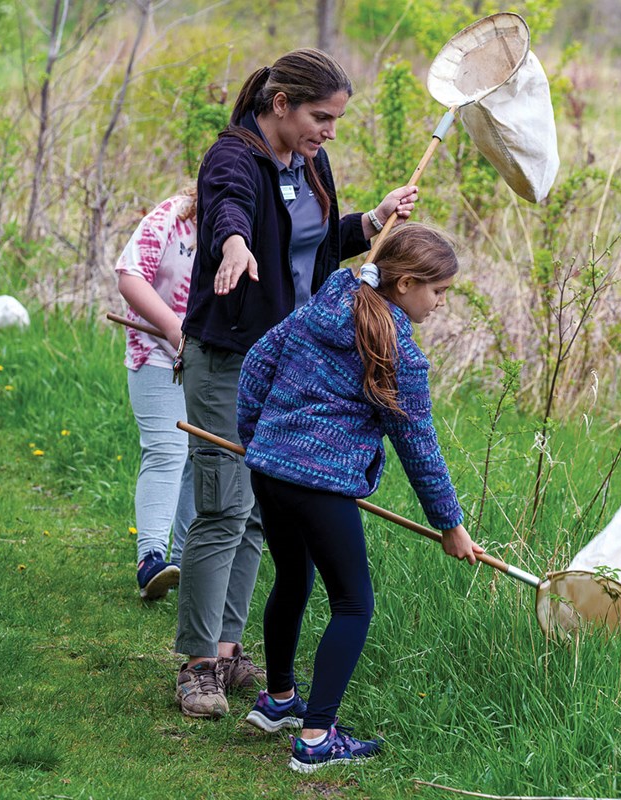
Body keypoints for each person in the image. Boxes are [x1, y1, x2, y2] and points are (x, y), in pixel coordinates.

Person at [174, 47, 418, 720]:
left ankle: (228, 649)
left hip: (289, 362)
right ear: (280, 105)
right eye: (321, 117)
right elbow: (227, 210)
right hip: (230, 355)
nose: (329, 131)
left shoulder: (310, 163)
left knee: (259, 510)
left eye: (336, 120)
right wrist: (232, 245)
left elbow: (311, 247)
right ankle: (196, 663)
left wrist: (370, 221)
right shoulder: (234, 157)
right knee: (222, 504)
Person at [235, 222, 483, 773]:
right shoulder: (399, 354)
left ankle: (278, 702)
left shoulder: (326, 304)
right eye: (438, 291)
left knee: (294, 580)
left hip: (271, 472)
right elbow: (419, 447)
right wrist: (450, 525)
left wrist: (257, 439)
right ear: (406, 284)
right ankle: (317, 737)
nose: (441, 303)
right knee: (353, 603)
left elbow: (257, 362)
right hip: (320, 486)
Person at [115, 187, 198, 601]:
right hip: (156, 353)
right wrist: (171, 327)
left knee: (201, 459)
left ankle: (182, 563)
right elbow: (130, 275)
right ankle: (150, 557)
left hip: (213, 362)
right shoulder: (173, 218)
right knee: (167, 449)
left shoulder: (253, 229)